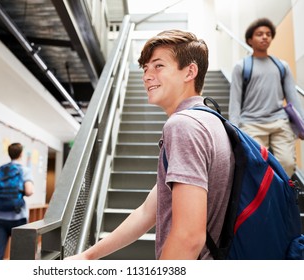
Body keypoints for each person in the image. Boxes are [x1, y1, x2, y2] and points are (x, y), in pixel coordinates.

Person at [66, 29, 235, 260]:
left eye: (158, 66)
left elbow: (189, 237)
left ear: (190, 71)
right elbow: (148, 211)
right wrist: (87, 256)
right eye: (145, 68)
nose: (146, 76)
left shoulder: (183, 126)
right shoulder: (210, 120)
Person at [229, 18, 304, 177]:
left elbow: (293, 98)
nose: (265, 37)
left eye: (268, 34)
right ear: (250, 40)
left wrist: (302, 125)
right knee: (255, 163)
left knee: (288, 163)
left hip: (279, 121)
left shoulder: (281, 66)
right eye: (259, 34)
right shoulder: (241, 66)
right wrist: (234, 130)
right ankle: (265, 196)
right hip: (251, 123)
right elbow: (234, 102)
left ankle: (282, 196)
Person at [0, 142, 34, 259]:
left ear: (9, 154)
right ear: (21, 154)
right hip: (18, 217)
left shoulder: (0, 170)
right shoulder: (24, 170)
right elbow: (29, 192)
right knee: (20, 254)